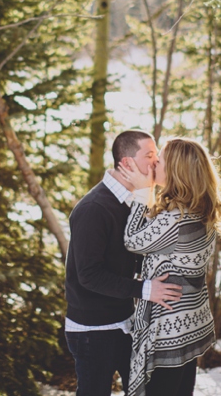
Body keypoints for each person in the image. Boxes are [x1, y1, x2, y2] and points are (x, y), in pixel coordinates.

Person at [65, 129, 184, 396]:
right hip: (92, 330)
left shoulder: (134, 201)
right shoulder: (94, 208)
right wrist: (145, 289)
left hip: (124, 322)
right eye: (149, 155)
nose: (155, 162)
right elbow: (89, 275)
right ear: (128, 163)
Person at [118, 137, 221, 396]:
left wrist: (143, 192)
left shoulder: (177, 220)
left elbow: (133, 240)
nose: (155, 162)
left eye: (161, 159)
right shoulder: (199, 210)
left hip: (169, 331)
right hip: (190, 323)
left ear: (177, 170)